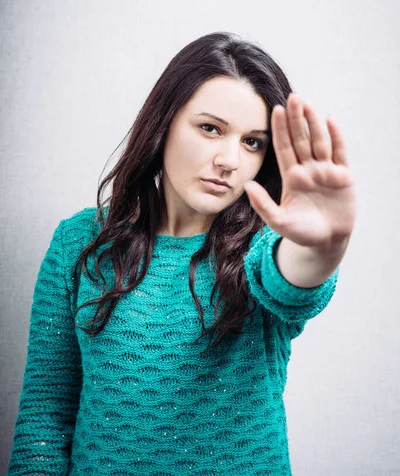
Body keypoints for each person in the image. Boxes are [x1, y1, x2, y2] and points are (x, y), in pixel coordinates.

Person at [7, 31, 356, 475]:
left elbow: (294, 279)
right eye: (210, 128)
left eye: (252, 142)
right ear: (164, 123)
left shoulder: (262, 246)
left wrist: (323, 247)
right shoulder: (80, 241)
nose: (229, 159)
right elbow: (46, 416)